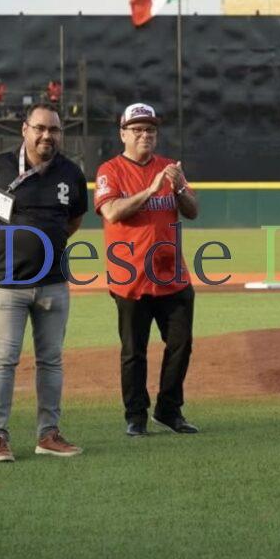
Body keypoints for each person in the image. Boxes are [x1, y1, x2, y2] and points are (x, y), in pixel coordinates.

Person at [0, 103, 88, 463]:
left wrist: (47, 249)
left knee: (51, 360)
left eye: (54, 130)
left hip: (52, 283)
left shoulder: (71, 173)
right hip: (7, 283)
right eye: (40, 128)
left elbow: (75, 219)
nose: (47, 135)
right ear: (25, 130)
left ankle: (48, 435)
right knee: (4, 360)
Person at [94, 103, 200, 437]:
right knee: (133, 352)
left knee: (181, 345)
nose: (145, 135)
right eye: (137, 130)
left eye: (150, 130)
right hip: (131, 277)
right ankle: (135, 416)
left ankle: (169, 410)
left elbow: (193, 211)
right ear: (122, 134)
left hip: (172, 275)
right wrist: (151, 190)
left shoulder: (169, 167)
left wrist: (179, 186)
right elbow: (111, 212)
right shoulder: (109, 170)